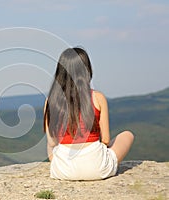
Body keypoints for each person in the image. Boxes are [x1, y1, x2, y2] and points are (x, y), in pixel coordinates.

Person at [43, 47, 134, 180]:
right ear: (87, 70)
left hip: (62, 171)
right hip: (96, 168)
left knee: (51, 145)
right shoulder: (97, 97)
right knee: (127, 135)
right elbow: (106, 140)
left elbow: (52, 142)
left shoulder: (50, 101)